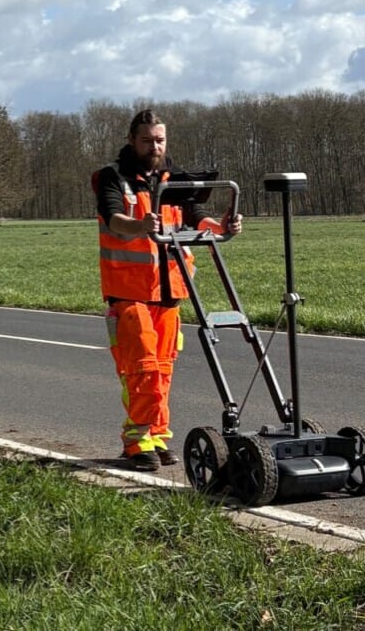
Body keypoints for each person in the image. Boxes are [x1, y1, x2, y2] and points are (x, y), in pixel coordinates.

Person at [94, 109, 242, 471]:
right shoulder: (112, 179)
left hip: (170, 291)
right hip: (129, 293)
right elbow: (114, 219)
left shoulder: (172, 179)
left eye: (159, 140)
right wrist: (140, 225)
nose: (154, 146)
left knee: (163, 369)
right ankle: (136, 441)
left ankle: (157, 435)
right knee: (141, 368)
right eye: (147, 140)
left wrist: (221, 226)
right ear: (132, 140)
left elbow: (194, 216)